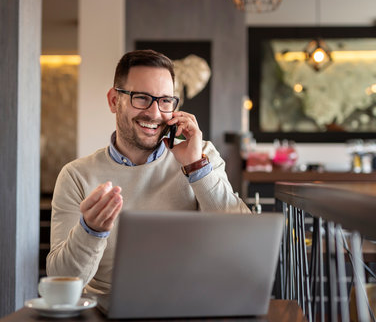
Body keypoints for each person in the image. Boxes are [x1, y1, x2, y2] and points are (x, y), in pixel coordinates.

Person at [46, 50, 250, 296]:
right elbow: (61, 280)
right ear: (113, 101)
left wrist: (196, 167)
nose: (154, 113)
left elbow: (242, 240)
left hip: (186, 305)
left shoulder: (201, 156)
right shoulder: (76, 176)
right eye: (141, 98)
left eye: (165, 100)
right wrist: (90, 231)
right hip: (106, 310)